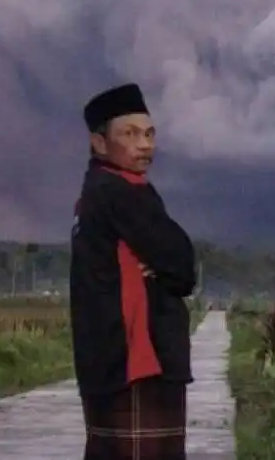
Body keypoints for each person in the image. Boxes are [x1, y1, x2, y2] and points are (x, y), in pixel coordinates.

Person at [71, 82, 197, 460]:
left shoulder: (97, 191)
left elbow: (172, 263)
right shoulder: (122, 192)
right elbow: (182, 265)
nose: (145, 144)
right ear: (99, 143)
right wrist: (166, 268)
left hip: (107, 362)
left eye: (149, 133)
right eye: (130, 134)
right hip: (137, 362)